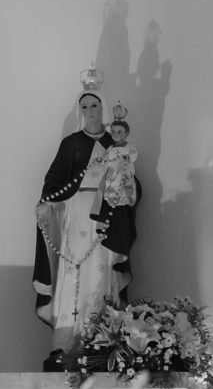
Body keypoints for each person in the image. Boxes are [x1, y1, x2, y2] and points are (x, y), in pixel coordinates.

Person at [33, 88, 141, 367]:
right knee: (72, 272)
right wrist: (46, 202)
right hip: (75, 215)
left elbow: (130, 182)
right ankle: (65, 342)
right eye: (85, 107)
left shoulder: (116, 143)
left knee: (100, 275)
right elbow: (55, 180)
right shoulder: (72, 144)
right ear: (80, 111)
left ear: (103, 108)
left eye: (95, 105)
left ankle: (99, 339)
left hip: (106, 221)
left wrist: (127, 188)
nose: (90, 111)